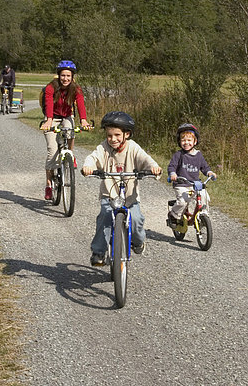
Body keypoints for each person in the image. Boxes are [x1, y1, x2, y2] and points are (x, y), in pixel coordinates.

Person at [82, 111, 162, 267]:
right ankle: (98, 252)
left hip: (130, 196)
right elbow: (93, 157)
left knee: (137, 219)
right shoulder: (103, 148)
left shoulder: (133, 147)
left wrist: (153, 167)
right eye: (109, 135)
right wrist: (88, 167)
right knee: (104, 218)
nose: (113, 139)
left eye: (117, 135)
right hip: (109, 194)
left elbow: (145, 159)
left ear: (127, 134)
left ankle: (138, 242)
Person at [40, 60, 90, 200]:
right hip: (53, 117)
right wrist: (49, 120)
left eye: (68, 76)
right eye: (63, 75)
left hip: (67, 115)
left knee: (70, 130)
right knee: (52, 150)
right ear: (59, 75)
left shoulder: (76, 88)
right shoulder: (51, 87)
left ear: (72, 76)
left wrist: (83, 120)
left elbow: (80, 103)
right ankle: (49, 185)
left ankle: (70, 154)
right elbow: (49, 103)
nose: (65, 79)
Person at [167, 123, 217, 228]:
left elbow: (204, 167)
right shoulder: (179, 155)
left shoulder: (198, 155)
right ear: (179, 142)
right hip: (181, 184)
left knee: (204, 197)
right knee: (182, 202)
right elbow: (172, 166)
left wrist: (209, 173)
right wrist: (173, 174)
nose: (186, 143)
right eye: (183, 140)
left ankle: (203, 216)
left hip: (195, 184)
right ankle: (173, 215)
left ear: (195, 142)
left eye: (189, 140)